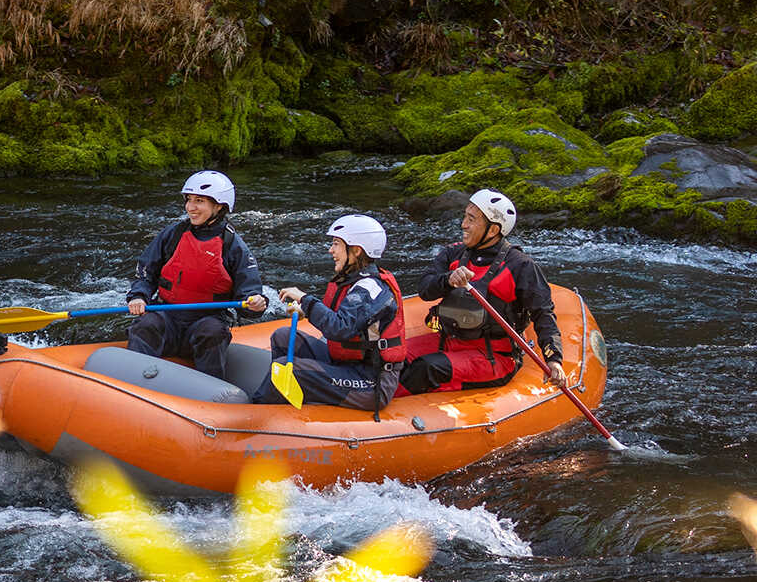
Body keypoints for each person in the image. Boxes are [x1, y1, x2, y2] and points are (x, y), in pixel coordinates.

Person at [398, 188, 566, 394]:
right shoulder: (454, 253)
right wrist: (448, 280)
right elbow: (425, 289)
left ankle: (380, 414)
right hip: (449, 341)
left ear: (493, 230)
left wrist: (554, 359)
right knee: (394, 355)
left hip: (493, 357)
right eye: (465, 217)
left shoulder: (520, 265)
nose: (463, 224)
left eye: (471, 219)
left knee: (426, 366)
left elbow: (543, 314)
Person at [251, 214, 404, 410]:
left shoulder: (371, 288)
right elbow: (342, 318)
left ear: (356, 250)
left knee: (292, 369)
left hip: (370, 381)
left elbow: (340, 328)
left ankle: (255, 412)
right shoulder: (352, 281)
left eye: (336, 244)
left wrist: (305, 299)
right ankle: (283, 403)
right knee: (283, 336)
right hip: (345, 364)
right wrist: (305, 310)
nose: (330, 250)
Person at [126, 170, 269, 378]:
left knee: (212, 331)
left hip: (205, 322)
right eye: (189, 200)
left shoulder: (233, 245)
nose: (190, 207)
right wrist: (139, 296)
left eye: (199, 201)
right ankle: (132, 384)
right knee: (146, 324)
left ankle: (209, 394)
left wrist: (255, 303)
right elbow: (146, 274)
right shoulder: (173, 234)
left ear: (219, 206)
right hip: (167, 317)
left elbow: (249, 294)